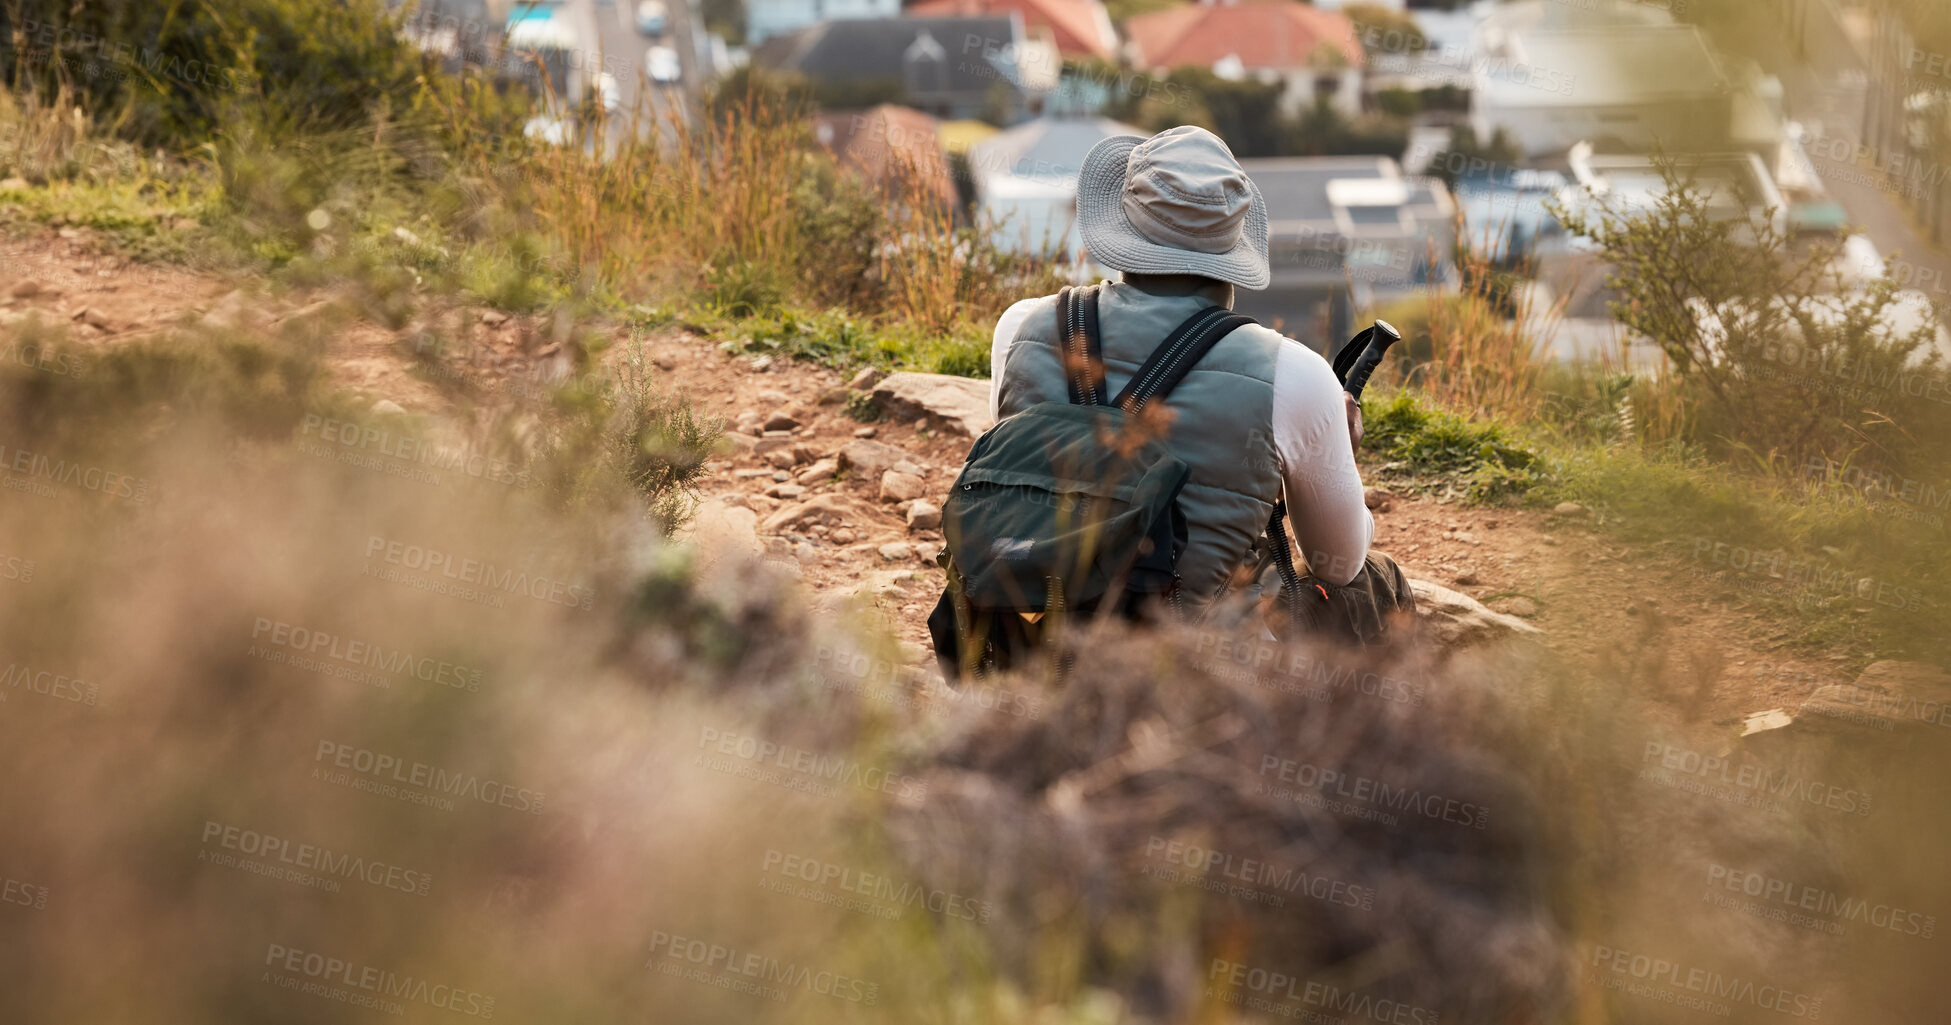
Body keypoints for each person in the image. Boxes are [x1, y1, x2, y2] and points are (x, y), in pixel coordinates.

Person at [984, 125, 1413, 641]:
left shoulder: (1019, 328)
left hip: (1024, 647)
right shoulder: (1296, 376)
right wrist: (1330, 445)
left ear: (1122, 227)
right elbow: (1339, 565)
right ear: (1233, 244)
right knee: (1377, 581)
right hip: (1194, 682)